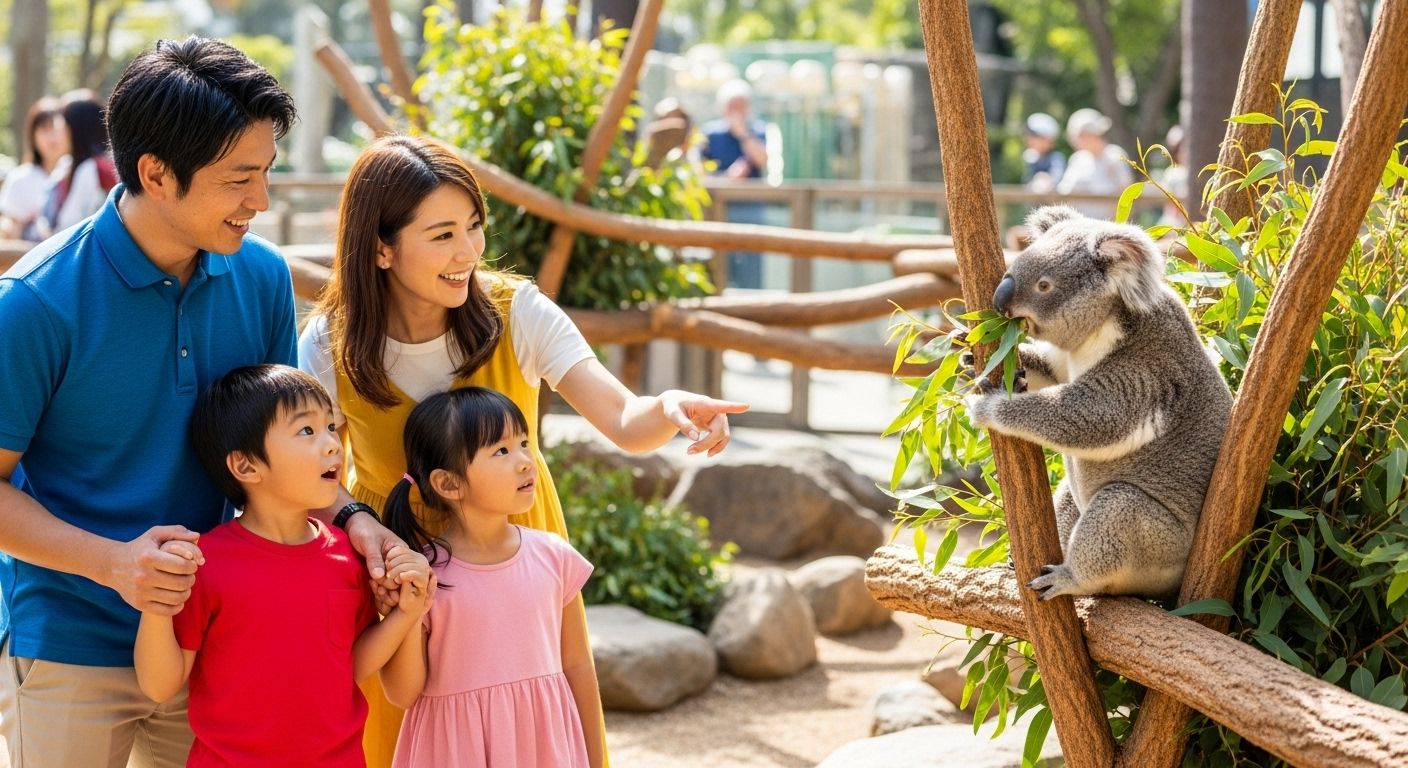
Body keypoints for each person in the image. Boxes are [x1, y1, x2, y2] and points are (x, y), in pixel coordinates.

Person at [0, 38, 401, 768]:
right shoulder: (35, 304)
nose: (261, 200)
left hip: (222, 641)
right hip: (71, 639)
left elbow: (284, 448)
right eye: (239, 179)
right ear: (156, 174)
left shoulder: (261, 278)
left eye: (267, 172)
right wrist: (114, 564)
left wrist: (354, 518)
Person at [298, 133, 748, 768]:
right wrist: (356, 521)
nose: (468, 252)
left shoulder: (518, 312)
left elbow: (623, 419)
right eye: (443, 234)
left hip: (511, 546)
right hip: (394, 562)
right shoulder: (331, 343)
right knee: (396, 735)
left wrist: (668, 407)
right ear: (380, 246)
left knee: (541, 716)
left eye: (474, 227)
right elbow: (311, 475)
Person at [134, 365, 433, 767]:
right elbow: (160, 685)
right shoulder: (205, 563)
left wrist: (404, 615)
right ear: (246, 466)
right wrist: (156, 602)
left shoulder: (348, 557)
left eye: (331, 426)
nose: (333, 444)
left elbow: (350, 666)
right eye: (307, 430)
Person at [379, 387, 602, 768]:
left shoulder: (554, 556)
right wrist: (410, 611)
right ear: (448, 483)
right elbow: (402, 694)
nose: (526, 462)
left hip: (543, 749)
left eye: (524, 443)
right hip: (455, 752)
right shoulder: (424, 576)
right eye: (501, 451)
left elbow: (578, 666)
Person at [697, 79, 770, 288]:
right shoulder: (709, 134)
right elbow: (698, 173)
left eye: (741, 105)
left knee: (751, 275)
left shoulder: (758, 131)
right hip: (718, 214)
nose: (736, 111)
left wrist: (743, 134)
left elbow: (762, 160)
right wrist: (726, 180)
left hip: (751, 214)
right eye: (732, 105)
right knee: (718, 271)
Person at [31, 90, 118, 240]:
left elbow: (71, 227)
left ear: (75, 129)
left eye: (61, 126)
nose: (58, 134)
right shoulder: (66, 165)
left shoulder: (93, 169)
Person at [0, 97, 68, 241]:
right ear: (33, 135)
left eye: (57, 128)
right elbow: (10, 227)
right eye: (45, 129)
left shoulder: (80, 174)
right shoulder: (20, 178)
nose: (52, 136)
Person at [1057, 107, 1134, 219]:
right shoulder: (1078, 159)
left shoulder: (1116, 156)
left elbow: (1126, 192)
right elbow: (1064, 192)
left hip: (1111, 225)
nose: (1075, 140)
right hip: (1081, 224)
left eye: (1081, 135)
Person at [1021, 112, 1066, 192]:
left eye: (1034, 136)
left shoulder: (1056, 159)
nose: (1028, 139)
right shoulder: (1031, 158)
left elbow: (1055, 179)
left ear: (1048, 140)